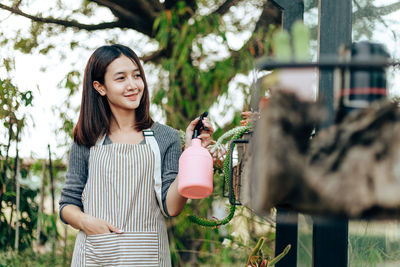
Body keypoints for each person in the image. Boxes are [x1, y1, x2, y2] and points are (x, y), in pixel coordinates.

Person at [59, 44, 213, 266]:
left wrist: (191, 153)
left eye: (137, 76)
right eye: (120, 78)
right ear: (100, 87)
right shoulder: (87, 138)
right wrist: (87, 223)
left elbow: (171, 208)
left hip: (147, 256)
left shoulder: (165, 137)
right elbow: (67, 205)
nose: (132, 85)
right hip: (96, 254)